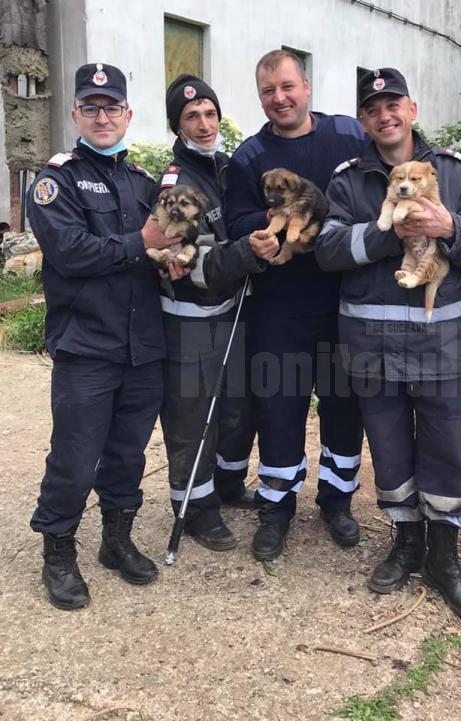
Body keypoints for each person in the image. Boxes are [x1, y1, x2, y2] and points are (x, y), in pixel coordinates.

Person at [315, 68, 461, 622]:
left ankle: (445, 557)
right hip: (370, 344)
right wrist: (384, 232)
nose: (385, 115)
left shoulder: (455, 174)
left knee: (445, 447)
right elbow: (327, 250)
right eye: (373, 109)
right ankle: (405, 543)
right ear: (364, 121)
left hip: (438, 339)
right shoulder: (347, 179)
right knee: (389, 450)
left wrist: (450, 230)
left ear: (411, 110)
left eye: (393, 105)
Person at [27, 63, 181, 610]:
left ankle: (116, 540)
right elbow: (70, 254)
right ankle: (59, 552)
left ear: (127, 114)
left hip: (143, 346)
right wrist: (143, 242)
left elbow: (161, 250)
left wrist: (171, 260)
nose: (102, 116)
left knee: (128, 454)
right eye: (90, 106)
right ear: (75, 114)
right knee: (75, 454)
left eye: (112, 106)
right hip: (87, 347)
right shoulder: (55, 181)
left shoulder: (144, 182)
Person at [225, 50, 367, 561]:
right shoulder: (248, 157)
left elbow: (395, 164)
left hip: (344, 304)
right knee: (280, 410)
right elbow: (234, 219)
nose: (279, 98)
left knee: (343, 409)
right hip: (279, 308)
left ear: (306, 86)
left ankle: (338, 501)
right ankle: (276, 507)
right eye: (268, 91)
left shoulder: (350, 135)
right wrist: (261, 231)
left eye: (287, 86)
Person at [157, 74, 268, 552]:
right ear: (177, 126)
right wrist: (247, 253)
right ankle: (195, 507)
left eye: (209, 113)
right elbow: (189, 265)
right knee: (191, 417)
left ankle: (225, 484)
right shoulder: (177, 184)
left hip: (230, 311)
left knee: (233, 406)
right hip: (190, 318)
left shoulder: (224, 168)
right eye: (191, 117)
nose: (204, 124)